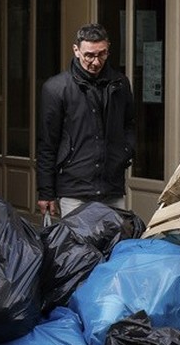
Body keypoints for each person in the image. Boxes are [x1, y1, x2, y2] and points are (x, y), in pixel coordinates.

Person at [37, 23, 136, 220]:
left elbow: (129, 124)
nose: (96, 61)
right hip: (74, 188)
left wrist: (125, 153)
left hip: (112, 185)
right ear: (76, 50)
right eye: (89, 55)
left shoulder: (120, 83)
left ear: (108, 48)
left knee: (115, 246)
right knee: (79, 248)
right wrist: (46, 192)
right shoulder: (56, 88)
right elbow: (47, 144)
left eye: (102, 54)